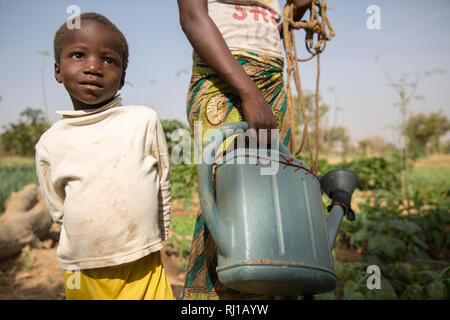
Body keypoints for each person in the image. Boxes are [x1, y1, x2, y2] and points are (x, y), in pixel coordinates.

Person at [177, 0, 313, 299]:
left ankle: (267, 290)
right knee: (228, 195)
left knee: (274, 197)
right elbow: (192, 16)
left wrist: (297, 9)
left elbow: (273, 31)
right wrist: (248, 92)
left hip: (272, 78)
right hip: (223, 77)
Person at [35, 12, 174, 300]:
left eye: (109, 60)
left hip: (143, 261)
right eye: (78, 55)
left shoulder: (142, 120)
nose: (94, 67)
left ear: (122, 77)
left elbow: (162, 180)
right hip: (83, 269)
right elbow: (58, 207)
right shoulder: (50, 143)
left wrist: (156, 236)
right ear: (57, 71)